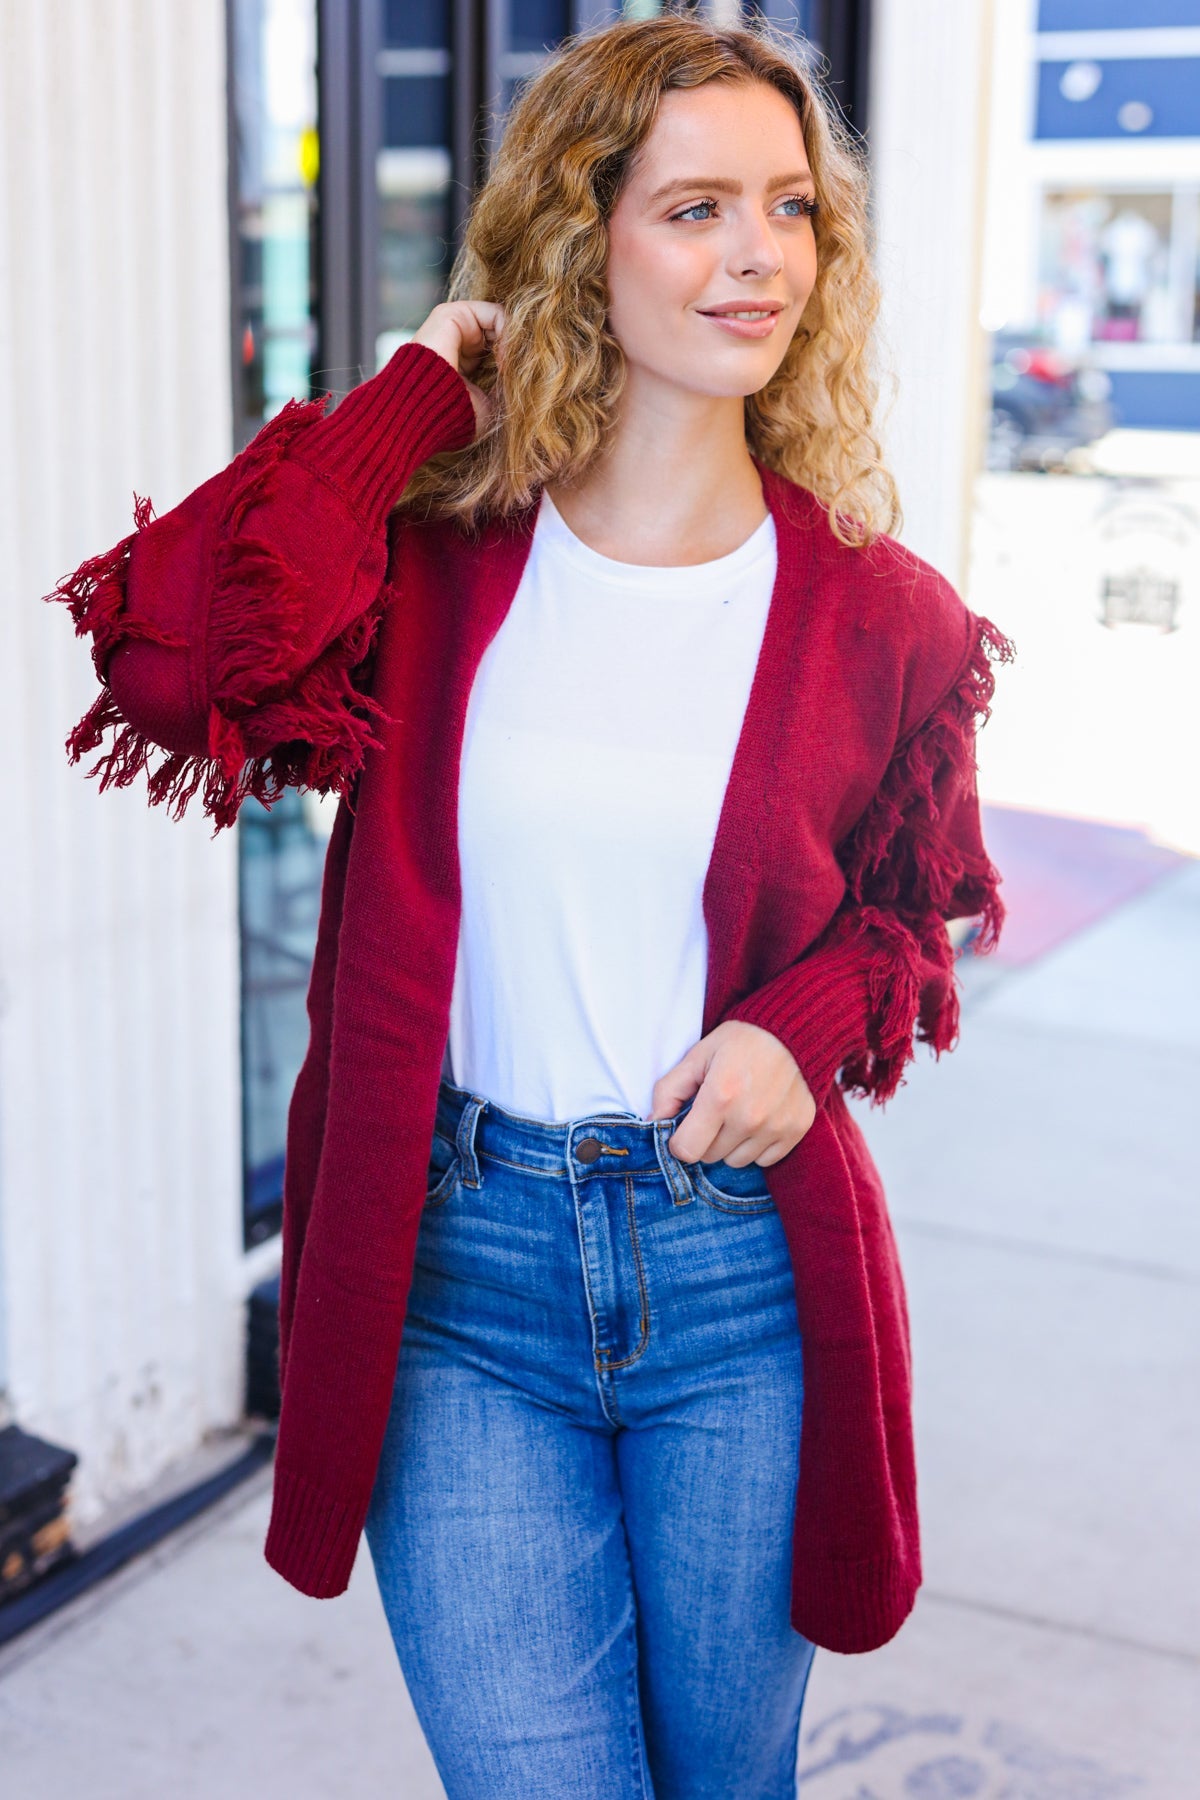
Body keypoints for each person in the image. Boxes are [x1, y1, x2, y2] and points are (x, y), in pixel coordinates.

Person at [43, 12, 1013, 1798]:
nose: (758, 256)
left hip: (737, 1282)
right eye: (695, 209)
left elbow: (909, 915)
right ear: (583, 237)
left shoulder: (883, 614)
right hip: (457, 1281)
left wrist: (796, 1034)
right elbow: (176, 664)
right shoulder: (437, 555)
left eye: (791, 208)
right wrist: (418, 390)